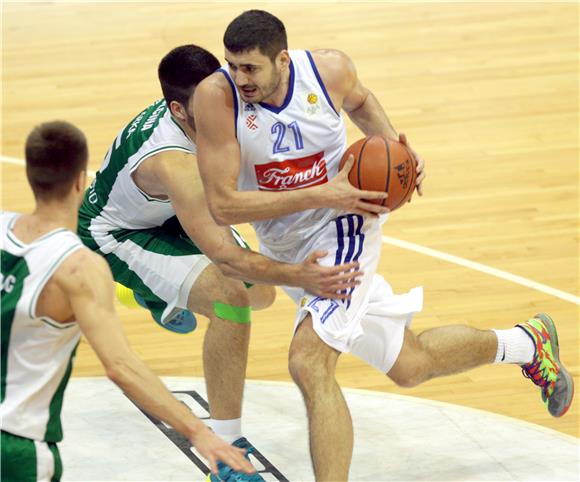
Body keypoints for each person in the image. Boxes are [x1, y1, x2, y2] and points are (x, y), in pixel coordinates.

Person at [193, 10, 574, 481]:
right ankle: (526, 343)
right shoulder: (217, 99)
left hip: (347, 225)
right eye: (232, 65)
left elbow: (361, 100)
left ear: (283, 60)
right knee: (410, 365)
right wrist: (322, 191)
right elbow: (224, 207)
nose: (239, 78)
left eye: (250, 68)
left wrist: (396, 152)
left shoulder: (329, 71)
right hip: (292, 247)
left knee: (308, 362)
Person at [77, 45, 361, 482]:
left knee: (261, 294)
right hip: (117, 234)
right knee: (232, 301)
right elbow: (226, 257)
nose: (220, 103)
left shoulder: (211, 99)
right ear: (177, 109)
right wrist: (300, 274)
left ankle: (155, 291)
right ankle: (226, 454)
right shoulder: (175, 163)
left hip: (168, 210)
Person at [0, 121, 255, 482]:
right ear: (78, 181)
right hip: (17, 446)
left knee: (252, 295)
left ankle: (150, 293)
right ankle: (151, 293)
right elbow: (120, 366)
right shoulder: (79, 268)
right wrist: (200, 432)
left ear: (29, 175)